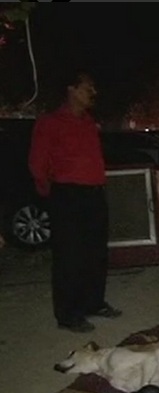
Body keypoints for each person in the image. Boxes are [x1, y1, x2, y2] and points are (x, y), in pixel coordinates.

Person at [28, 70, 122, 333]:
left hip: (93, 193)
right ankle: (68, 314)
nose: (93, 93)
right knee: (70, 255)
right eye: (88, 88)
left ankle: (93, 302)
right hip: (68, 194)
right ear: (71, 89)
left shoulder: (88, 123)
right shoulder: (51, 123)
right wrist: (50, 192)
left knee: (95, 252)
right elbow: (37, 163)